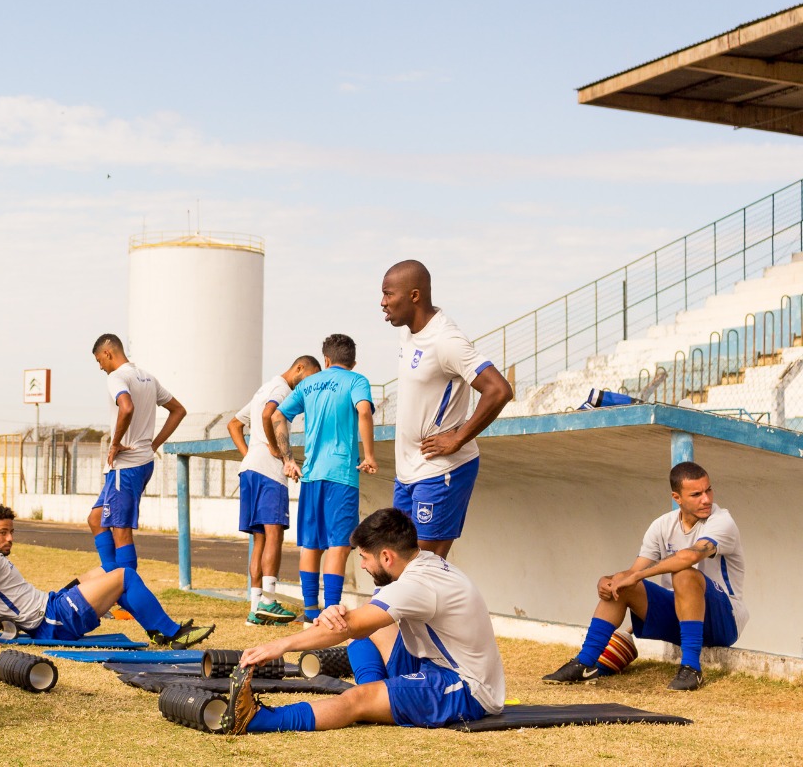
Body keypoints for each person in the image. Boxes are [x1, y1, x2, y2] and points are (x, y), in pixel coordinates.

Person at [221, 508, 504, 735]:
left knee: (356, 699)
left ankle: (256, 720)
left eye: (365, 559)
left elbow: (349, 627)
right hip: (434, 663)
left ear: (386, 556)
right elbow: (358, 624)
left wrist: (279, 646)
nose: (364, 566)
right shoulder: (419, 563)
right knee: (364, 637)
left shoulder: (415, 585)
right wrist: (339, 617)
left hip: (466, 688)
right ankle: (378, 700)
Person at [543, 461, 746, 691]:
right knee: (622, 581)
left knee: (684, 574)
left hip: (725, 619)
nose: (706, 499)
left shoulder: (722, 521)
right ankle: (585, 663)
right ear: (677, 497)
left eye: (708, 490)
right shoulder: (662, 525)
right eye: (696, 494)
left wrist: (639, 575)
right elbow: (632, 573)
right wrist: (609, 581)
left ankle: (691, 668)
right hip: (681, 617)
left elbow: (690, 556)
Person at [380, 260, 513, 558]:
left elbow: (499, 390)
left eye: (389, 294)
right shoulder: (408, 332)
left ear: (414, 296)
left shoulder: (446, 341)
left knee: (421, 567)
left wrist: (458, 438)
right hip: (407, 472)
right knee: (400, 565)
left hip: (441, 472)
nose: (383, 302)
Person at [0, 503, 214, 649]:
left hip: (52, 606)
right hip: (52, 620)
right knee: (126, 576)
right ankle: (172, 634)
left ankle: (156, 629)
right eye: (3, 532)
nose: (10, 538)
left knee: (109, 569)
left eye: (12, 531)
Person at [270, 334, 377, 624]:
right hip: (341, 476)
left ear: (326, 359)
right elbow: (364, 411)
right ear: (353, 362)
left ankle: (310, 613)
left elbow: (278, 416)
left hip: (312, 476)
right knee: (338, 545)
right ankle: (331, 612)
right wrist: (369, 455)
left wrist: (288, 459)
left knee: (311, 545)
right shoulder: (356, 381)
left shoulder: (307, 384)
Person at [227, 355, 321, 626]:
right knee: (274, 535)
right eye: (310, 378)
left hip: (250, 469)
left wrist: (250, 454)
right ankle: (269, 600)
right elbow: (270, 414)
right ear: (299, 368)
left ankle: (255, 608)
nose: (309, 385)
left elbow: (234, 424)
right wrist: (274, 448)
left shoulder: (264, 387)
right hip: (268, 472)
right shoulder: (281, 389)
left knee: (259, 540)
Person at [89, 333, 186, 572]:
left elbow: (127, 406)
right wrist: (153, 444)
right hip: (141, 463)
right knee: (96, 519)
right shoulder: (148, 378)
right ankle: (112, 580)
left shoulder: (117, 377)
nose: (100, 367)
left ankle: (126, 595)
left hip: (127, 465)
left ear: (107, 353)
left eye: (99, 361)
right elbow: (178, 410)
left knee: (121, 531)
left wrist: (115, 443)